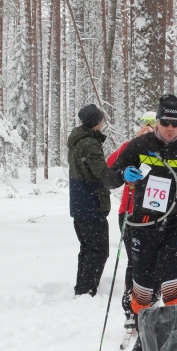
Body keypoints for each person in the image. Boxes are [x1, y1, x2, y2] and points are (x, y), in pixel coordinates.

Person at [104, 94, 177, 351]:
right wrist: (123, 175)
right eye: (166, 121)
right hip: (143, 226)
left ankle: (175, 339)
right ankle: (144, 335)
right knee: (142, 288)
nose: (170, 127)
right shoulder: (140, 145)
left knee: (171, 285)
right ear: (157, 121)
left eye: (176, 122)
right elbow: (108, 177)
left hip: (176, 226)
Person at [106, 111, 155, 330]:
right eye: (146, 124)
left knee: (156, 261)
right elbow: (111, 164)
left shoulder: (163, 148)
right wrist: (135, 141)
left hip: (155, 213)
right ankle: (131, 308)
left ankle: (151, 302)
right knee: (134, 262)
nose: (149, 128)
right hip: (129, 211)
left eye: (154, 124)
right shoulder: (132, 145)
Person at [68, 104, 111, 297]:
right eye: (101, 118)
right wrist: (118, 175)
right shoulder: (90, 143)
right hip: (91, 203)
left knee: (87, 248)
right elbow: (101, 173)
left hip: (80, 203)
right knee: (98, 250)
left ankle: (83, 287)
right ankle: (87, 290)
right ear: (96, 122)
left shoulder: (78, 140)